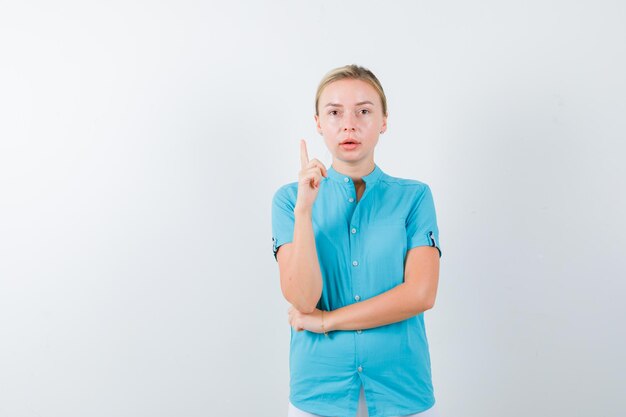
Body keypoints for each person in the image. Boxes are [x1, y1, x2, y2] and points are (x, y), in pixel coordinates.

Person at [271, 64, 442, 417]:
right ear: (318, 122)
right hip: (319, 392)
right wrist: (305, 212)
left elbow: (420, 294)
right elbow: (303, 297)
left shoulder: (414, 197)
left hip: (401, 390)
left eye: (363, 111)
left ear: (383, 121)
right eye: (334, 112)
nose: (349, 124)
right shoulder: (289, 201)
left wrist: (326, 321)